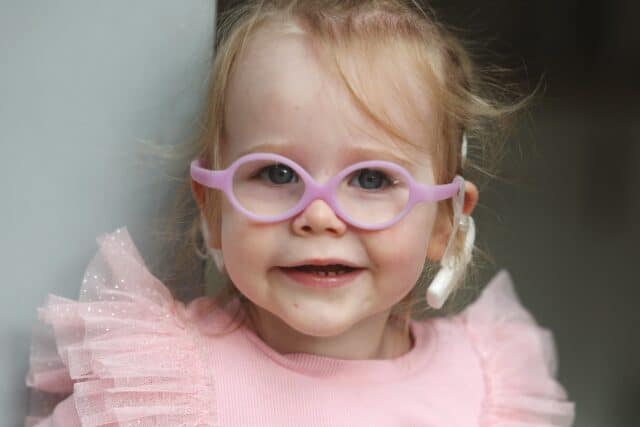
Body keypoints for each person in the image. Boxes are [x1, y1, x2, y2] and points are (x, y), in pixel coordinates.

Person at [24, 1, 576, 425]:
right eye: (278, 174)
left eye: (371, 179)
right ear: (213, 207)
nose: (320, 217)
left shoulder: (487, 390)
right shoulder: (158, 387)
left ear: (444, 222)